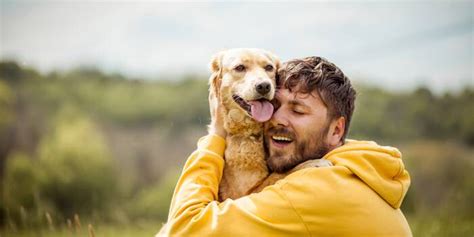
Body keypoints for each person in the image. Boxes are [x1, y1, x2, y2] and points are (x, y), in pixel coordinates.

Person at [157, 56, 412, 236]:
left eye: (298, 111)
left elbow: (184, 230)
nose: (276, 118)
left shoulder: (316, 189)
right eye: (275, 106)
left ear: (336, 130)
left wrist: (217, 134)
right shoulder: (353, 168)